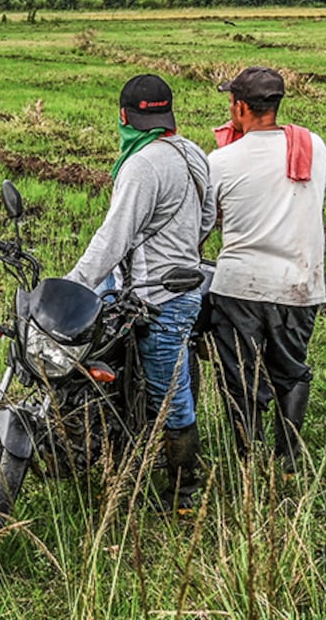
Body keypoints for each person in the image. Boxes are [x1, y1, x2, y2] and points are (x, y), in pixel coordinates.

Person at [64, 74, 216, 512]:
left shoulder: (141, 165)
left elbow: (114, 238)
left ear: (123, 117)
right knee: (132, 371)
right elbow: (207, 219)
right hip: (184, 286)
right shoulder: (192, 154)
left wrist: (73, 285)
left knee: (170, 393)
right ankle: (123, 450)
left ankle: (185, 492)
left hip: (157, 297)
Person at [207, 66, 326, 478]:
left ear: (240, 107)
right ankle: (290, 460)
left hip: (239, 285)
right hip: (300, 283)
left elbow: (210, 220)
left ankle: (248, 462)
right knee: (292, 371)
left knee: (241, 378)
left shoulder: (221, 161)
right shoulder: (312, 146)